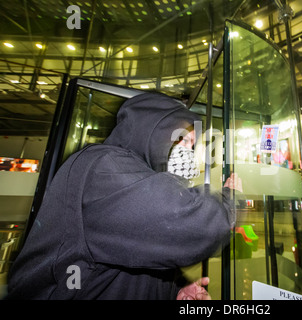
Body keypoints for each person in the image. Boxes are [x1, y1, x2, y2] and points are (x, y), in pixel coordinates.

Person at [6, 92, 241, 300]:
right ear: (152, 130)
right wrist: (230, 199)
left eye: (191, 144)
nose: (188, 151)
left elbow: (133, 264)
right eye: (182, 139)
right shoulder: (103, 167)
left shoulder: (138, 178)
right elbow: (192, 225)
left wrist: (174, 291)